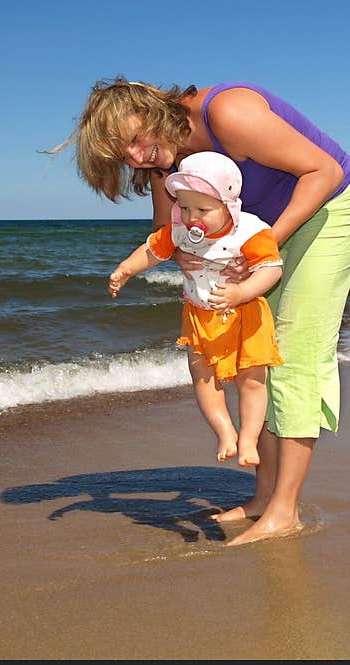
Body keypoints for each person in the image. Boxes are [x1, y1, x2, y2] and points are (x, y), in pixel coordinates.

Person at [70, 77, 350, 546]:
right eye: (120, 155)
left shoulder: (227, 112)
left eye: (133, 141)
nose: (133, 157)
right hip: (258, 233)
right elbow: (169, 235)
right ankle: (263, 495)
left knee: (290, 354)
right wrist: (182, 259)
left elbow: (324, 173)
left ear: (149, 110)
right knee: (254, 354)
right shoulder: (162, 160)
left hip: (326, 207)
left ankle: (284, 511)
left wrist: (262, 249)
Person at [108, 151, 283, 468]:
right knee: (202, 378)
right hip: (200, 316)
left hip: (246, 314)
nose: (192, 217)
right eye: (185, 207)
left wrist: (242, 291)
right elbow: (151, 251)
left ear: (228, 205)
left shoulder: (250, 230)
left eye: (202, 209)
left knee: (253, 379)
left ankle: (249, 439)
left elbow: (272, 269)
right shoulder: (179, 230)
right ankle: (225, 431)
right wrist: (126, 269)